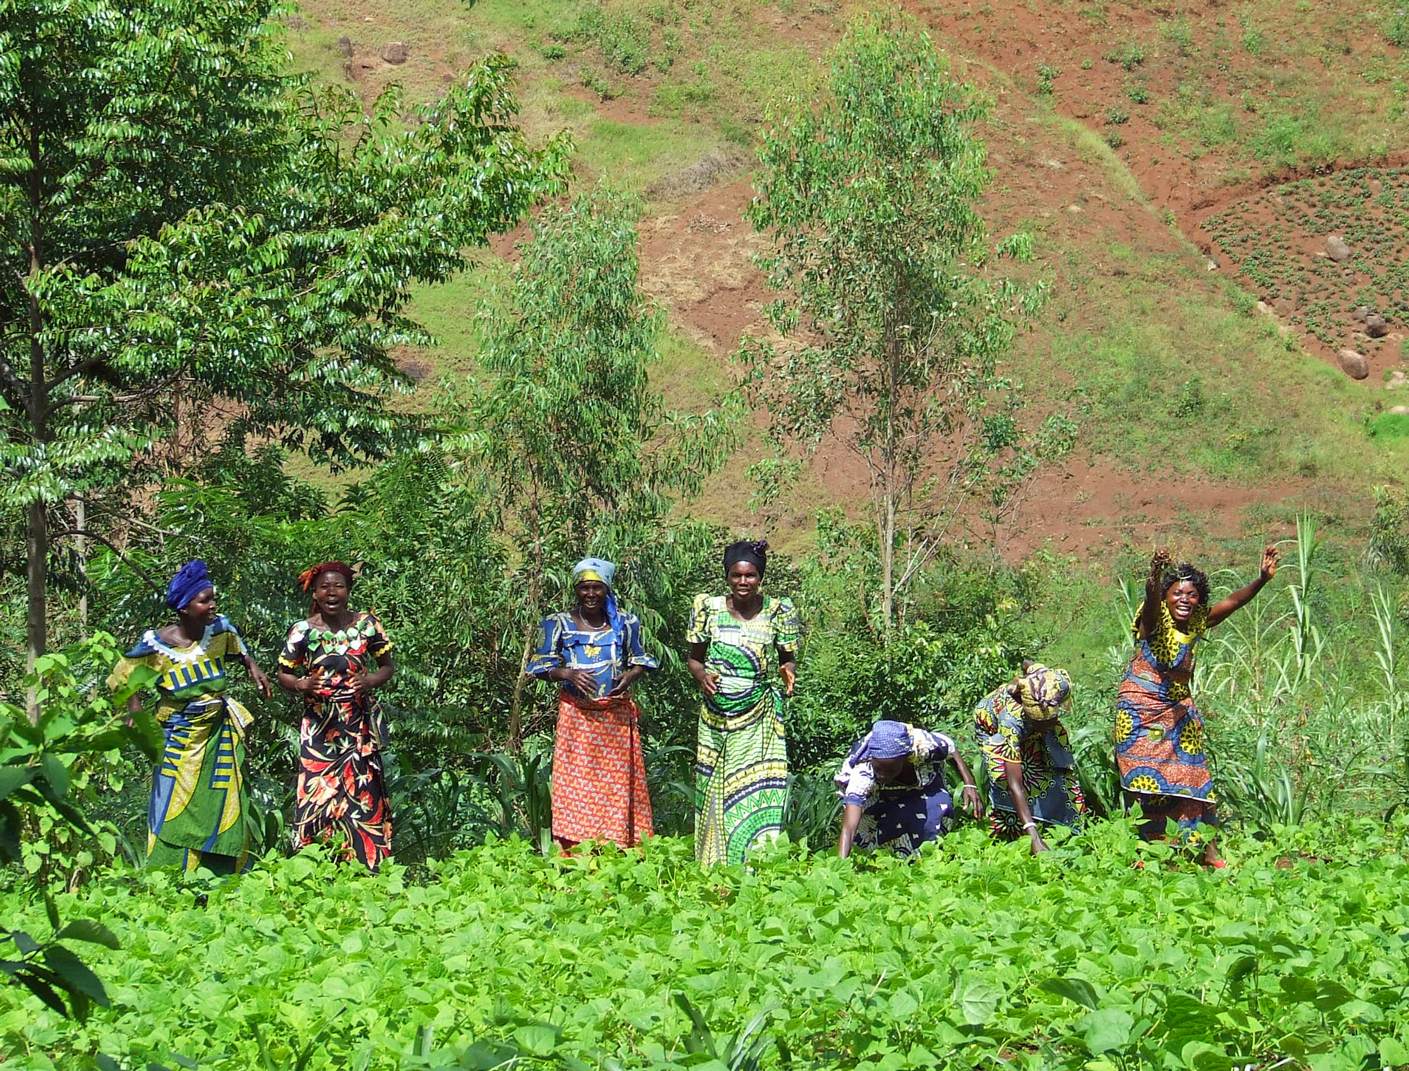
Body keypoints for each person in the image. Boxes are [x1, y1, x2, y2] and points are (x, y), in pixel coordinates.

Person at [1116, 546, 1280, 866]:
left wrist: (1261, 580)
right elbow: (1150, 605)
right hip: (1140, 712)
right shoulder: (1155, 620)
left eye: (1191, 594)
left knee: (1195, 775)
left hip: (1177, 711)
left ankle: (1207, 853)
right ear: (1166, 596)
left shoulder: (1196, 622)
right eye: (1177, 592)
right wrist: (1154, 575)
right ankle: (1145, 854)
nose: (1184, 599)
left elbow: (1232, 603)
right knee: (1143, 784)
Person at [107, 560, 271, 874]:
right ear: (184, 608)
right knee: (170, 803)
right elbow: (123, 678)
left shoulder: (218, 630)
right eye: (204, 600)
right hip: (178, 737)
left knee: (224, 800)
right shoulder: (155, 646)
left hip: (219, 735)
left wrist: (253, 666)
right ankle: (169, 875)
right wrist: (135, 714)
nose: (213, 605)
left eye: (212, 598)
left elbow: (237, 644)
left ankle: (224, 876)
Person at [525, 557, 659, 850]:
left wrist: (630, 675)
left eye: (597, 588)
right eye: (584, 588)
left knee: (615, 787)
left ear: (606, 590)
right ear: (576, 589)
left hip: (615, 717)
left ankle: (617, 846)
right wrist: (567, 673)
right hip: (577, 717)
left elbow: (642, 659)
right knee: (577, 785)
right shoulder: (558, 623)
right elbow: (538, 665)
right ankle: (575, 848)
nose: (590, 594)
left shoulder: (625, 622)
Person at [686, 539, 798, 867]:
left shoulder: (779, 611)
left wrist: (787, 672)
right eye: (737, 576)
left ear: (760, 577)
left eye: (750, 576)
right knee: (715, 786)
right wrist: (701, 675)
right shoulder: (708, 608)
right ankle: (715, 863)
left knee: (757, 783)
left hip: (759, 714)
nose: (743, 582)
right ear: (728, 576)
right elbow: (693, 659)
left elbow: (787, 658)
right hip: (716, 715)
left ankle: (756, 863)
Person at [277, 561, 395, 870]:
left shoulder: (367, 625)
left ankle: (368, 865)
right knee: (318, 794)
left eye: (338, 586)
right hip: (319, 730)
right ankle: (315, 865)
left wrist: (369, 681)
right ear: (314, 593)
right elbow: (283, 675)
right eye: (325, 587)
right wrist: (302, 684)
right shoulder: (301, 631)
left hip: (357, 726)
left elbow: (387, 667)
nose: (332, 593)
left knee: (363, 793)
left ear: (348, 591)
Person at [974, 661, 1088, 855]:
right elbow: (1014, 784)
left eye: (1050, 721)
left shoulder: (1057, 685)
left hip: (1029, 723)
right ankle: (1018, 837)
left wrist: (1023, 678)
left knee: (1058, 769)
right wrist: (1033, 834)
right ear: (1030, 717)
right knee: (1006, 778)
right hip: (992, 727)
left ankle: (1071, 829)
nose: (1046, 727)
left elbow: (1029, 664)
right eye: (1040, 724)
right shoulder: (1011, 722)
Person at [835, 720, 983, 858]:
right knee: (890, 824)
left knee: (938, 805)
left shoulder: (923, 747)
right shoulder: (863, 773)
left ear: (905, 758)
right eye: (878, 768)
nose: (882, 775)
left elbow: (950, 748)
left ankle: (931, 855)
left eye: (890, 770)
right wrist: (841, 866)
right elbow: (849, 827)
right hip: (877, 797)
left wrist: (969, 783)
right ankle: (894, 859)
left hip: (921, 787)